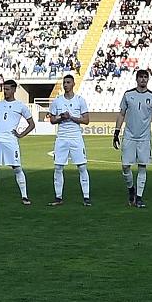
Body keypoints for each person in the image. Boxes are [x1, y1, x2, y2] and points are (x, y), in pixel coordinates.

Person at [114, 69, 152, 208]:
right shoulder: (128, 95)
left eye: (145, 77)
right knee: (125, 166)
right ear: (136, 79)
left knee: (142, 166)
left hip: (144, 137)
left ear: (148, 79)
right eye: (140, 77)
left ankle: (139, 197)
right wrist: (116, 132)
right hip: (129, 135)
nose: (143, 79)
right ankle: (131, 190)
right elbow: (122, 114)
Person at [0, 79, 35, 205]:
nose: (5, 91)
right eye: (4, 89)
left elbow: (31, 124)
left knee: (17, 168)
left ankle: (24, 196)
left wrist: (20, 135)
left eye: (7, 89)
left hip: (11, 140)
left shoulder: (21, 106)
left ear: (13, 90)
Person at [48, 73, 91, 207]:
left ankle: (86, 197)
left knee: (82, 166)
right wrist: (61, 118)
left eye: (68, 82)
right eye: (64, 82)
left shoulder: (80, 100)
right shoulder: (57, 101)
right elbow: (52, 120)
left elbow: (86, 120)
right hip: (61, 137)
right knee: (58, 167)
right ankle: (58, 197)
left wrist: (71, 117)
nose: (66, 84)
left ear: (73, 84)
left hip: (75, 137)